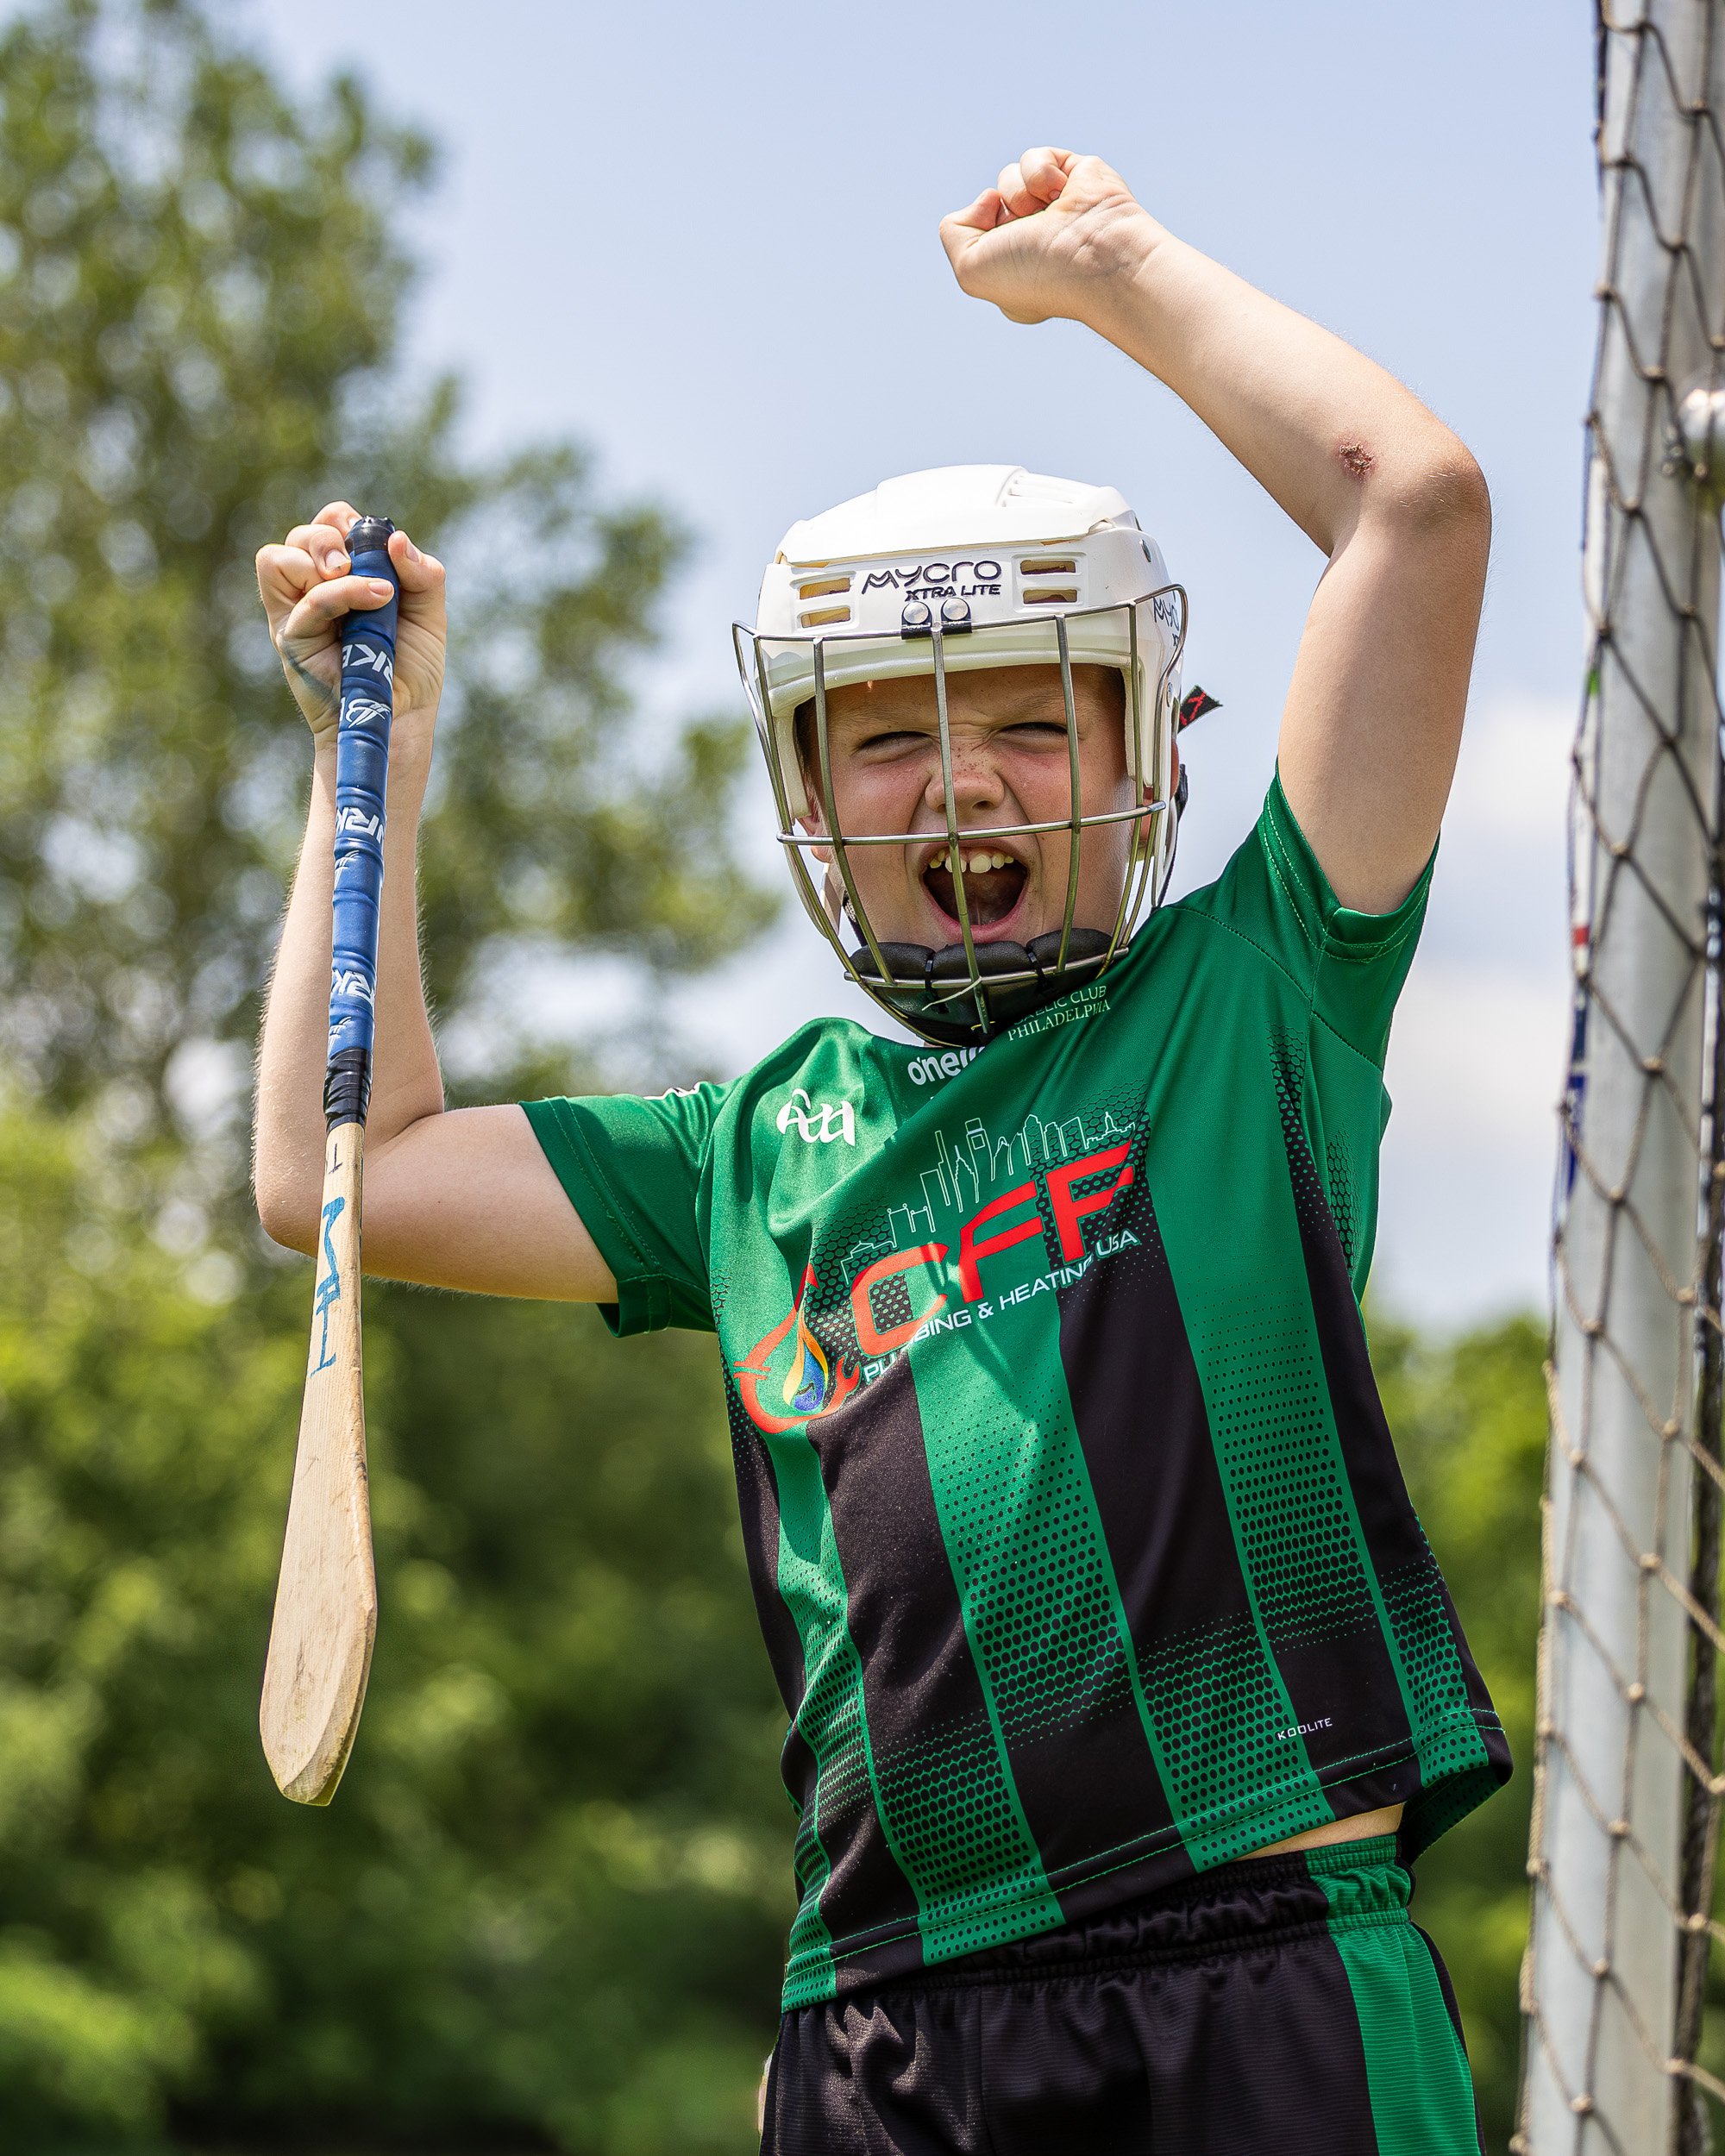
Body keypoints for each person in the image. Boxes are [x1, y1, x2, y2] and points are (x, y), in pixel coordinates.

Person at [254, 147, 1506, 2155]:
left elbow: (1415, 508)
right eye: (892, 736)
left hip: (1259, 1964)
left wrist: (1113, 273)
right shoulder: (751, 1148)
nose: (960, 780)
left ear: (1147, 749)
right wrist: (359, 750)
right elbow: (354, 1173)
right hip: (886, 2026)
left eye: (1027, 717)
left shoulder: (1253, 989)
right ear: (812, 790)